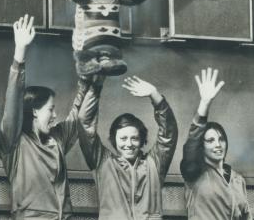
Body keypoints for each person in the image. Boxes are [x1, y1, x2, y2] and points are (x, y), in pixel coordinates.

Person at [0, 14, 101, 219]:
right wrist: (20, 54)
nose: (55, 115)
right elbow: (12, 104)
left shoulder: (58, 138)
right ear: (34, 111)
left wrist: (87, 75)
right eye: (51, 109)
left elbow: (77, 112)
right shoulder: (14, 144)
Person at [77, 75, 178, 220]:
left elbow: (169, 134)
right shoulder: (103, 162)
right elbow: (84, 123)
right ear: (114, 139)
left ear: (142, 140)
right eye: (123, 138)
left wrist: (156, 97)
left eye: (134, 138)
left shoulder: (154, 163)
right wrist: (96, 86)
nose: (129, 144)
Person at [180, 67, 252, 219]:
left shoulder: (237, 179)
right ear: (202, 145)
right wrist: (204, 104)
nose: (218, 144)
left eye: (221, 139)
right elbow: (192, 142)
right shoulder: (194, 171)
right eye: (210, 140)